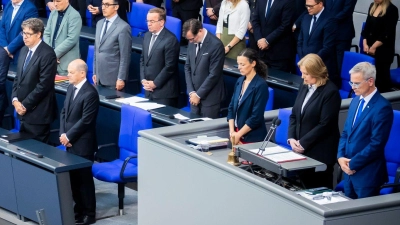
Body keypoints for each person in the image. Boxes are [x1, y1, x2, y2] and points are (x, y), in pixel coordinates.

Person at [338, 62, 393, 199]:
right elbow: (345, 133)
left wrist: (352, 164)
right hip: (348, 172)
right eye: (351, 83)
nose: (353, 87)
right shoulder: (355, 101)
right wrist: (340, 157)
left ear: (370, 81)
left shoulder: (382, 107)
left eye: (356, 83)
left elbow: (376, 144)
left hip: (367, 176)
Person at [288, 54, 341, 189]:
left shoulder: (330, 92)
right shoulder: (305, 85)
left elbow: (325, 124)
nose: (302, 77)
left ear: (316, 72)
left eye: (306, 73)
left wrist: (302, 143)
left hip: (319, 152)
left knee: (317, 190)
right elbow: (294, 114)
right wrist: (292, 138)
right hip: (301, 149)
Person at [60, 59, 99, 225]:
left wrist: (69, 137)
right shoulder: (70, 88)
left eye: (71, 72)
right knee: (74, 180)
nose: (68, 75)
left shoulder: (90, 93)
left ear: (82, 73)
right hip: (69, 141)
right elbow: (64, 112)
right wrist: (63, 133)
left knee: (84, 181)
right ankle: (78, 210)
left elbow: (86, 121)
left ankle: (89, 214)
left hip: (82, 144)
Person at [11, 18, 57, 143]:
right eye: (23, 33)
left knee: (35, 151)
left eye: (28, 34)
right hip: (22, 112)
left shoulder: (47, 54)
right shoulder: (24, 50)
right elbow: (18, 78)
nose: (24, 37)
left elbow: (44, 85)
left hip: (38, 114)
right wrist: (15, 100)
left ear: (38, 34)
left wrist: (25, 105)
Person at [0, 0, 38, 126]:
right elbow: (2, 27)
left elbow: (26, 33)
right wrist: (6, 48)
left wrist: (10, 48)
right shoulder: (9, 6)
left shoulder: (30, 8)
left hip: (20, 54)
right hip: (5, 53)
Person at [183, 19, 225, 119]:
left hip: (210, 99)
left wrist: (198, 95)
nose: (191, 42)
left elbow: (214, 74)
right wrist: (191, 92)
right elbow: (187, 67)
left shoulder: (216, 45)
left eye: (192, 38)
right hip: (193, 97)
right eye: (189, 40)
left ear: (200, 31)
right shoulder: (191, 42)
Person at [227, 48, 269, 145]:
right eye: (238, 64)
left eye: (242, 64)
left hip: (252, 137)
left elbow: (256, 117)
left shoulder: (261, 85)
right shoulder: (239, 81)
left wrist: (238, 134)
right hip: (236, 133)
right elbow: (231, 108)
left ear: (253, 63)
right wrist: (232, 131)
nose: (239, 67)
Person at [140, 8, 180, 107]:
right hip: (148, 89)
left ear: (161, 22)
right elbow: (143, 59)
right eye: (147, 21)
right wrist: (143, 79)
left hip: (164, 93)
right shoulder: (147, 36)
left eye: (152, 21)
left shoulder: (170, 39)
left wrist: (155, 83)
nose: (148, 24)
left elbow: (170, 67)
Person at [297, 0, 339, 87]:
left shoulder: (330, 20)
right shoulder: (306, 18)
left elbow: (327, 47)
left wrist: (312, 62)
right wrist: (304, 61)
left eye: (311, 6)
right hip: (305, 67)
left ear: (320, 4)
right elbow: (300, 42)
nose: (308, 9)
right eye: (307, 6)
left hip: (320, 67)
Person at [93, 0, 132, 91]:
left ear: (116, 7)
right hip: (98, 78)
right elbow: (97, 49)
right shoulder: (99, 23)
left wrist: (121, 78)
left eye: (107, 5)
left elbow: (125, 56)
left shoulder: (123, 27)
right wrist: (95, 72)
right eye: (102, 4)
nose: (103, 7)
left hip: (113, 80)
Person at [362, 0, 398, 93]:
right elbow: (366, 28)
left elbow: (387, 33)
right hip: (369, 49)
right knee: (369, 78)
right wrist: (365, 43)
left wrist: (374, 47)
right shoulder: (372, 6)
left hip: (383, 51)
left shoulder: (392, 9)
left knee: (380, 81)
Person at [252, 0, 295, 72]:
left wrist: (267, 41)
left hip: (279, 54)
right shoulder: (260, 1)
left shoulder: (288, 2)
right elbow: (255, 20)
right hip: (262, 52)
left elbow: (285, 25)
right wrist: (259, 40)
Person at [43, 0, 82, 75]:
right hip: (50, 62)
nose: (55, 4)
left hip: (66, 65)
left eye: (58, 1)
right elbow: (47, 33)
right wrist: (50, 53)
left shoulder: (75, 15)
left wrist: (53, 54)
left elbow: (72, 39)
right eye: (54, 1)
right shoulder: (53, 13)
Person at [324, 0, 358, 75]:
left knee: (341, 64)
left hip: (342, 34)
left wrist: (330, 20)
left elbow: (347, 11)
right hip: (329, 33)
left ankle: (340, 85)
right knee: (329, 63)